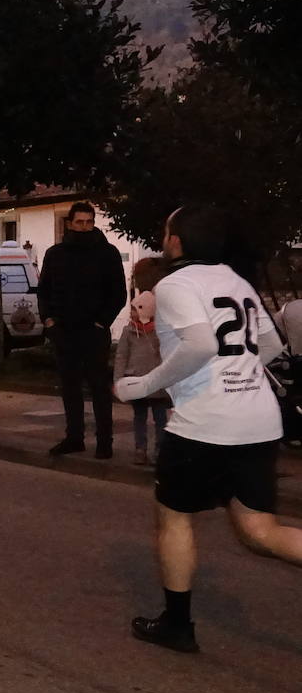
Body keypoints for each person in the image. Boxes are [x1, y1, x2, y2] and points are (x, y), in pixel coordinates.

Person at [115, 206, 302, 653]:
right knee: (259, 530)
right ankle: (176, 624)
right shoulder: (237, 282)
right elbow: (272, 344)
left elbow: (201, 344)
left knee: (174, 517)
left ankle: (178, 626)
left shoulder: (177, 283)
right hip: (257, 420)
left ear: (176, 241)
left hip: (205, 423)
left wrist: (144, 383)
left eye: (165, 231)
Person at [39, 202, 127, 459]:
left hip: (93, 331)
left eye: (89, 222)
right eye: (80, 222)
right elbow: (44, 290)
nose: (85, 227)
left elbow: (118, 293)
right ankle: (74, 437)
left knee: (99, 387)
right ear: (69, 223)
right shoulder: (55, 254)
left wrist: (102, 321)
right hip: (63, 330)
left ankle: (104, 442)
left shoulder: (107, 253)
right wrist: (49, 321)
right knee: (70, 387)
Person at [114, 257, 170, 465]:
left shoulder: (160, 332)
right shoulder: (129, 331)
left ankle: (160, 450)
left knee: (160, 419)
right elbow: (121, 355)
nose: (134, 315)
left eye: (138, 310)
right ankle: (140, 448)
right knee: (139, 418)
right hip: (135, 380)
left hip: (157, 382)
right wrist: (119, 380)